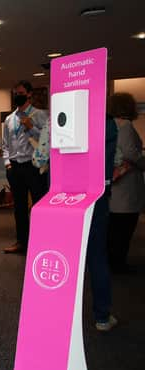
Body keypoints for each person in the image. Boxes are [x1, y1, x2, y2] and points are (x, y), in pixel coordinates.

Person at [1, 80, 49, 254]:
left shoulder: (40, 115)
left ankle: (41, 242)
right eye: (15, 93)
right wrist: (7, 165)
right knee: (19, 208)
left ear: (29, 94)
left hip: (34, 166)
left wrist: (32, 128)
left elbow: (46, 141)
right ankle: (22, 242)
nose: (17, 96)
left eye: (21, 93)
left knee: (38, 205)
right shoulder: (9, 119)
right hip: (15, 168)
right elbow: (5, 144)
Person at [86, 115, 118, 331]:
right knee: (97, 255)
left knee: (67, 257)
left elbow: (40, 159)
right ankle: (102, 317)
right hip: (96, 193)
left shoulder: (57, 118)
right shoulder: (105, 121)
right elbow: (115, 160)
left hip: (65, 195)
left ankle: (61, 313)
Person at [107, 92, 145, 274]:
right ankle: (118, 263)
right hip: (127, 185)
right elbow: (131, 154)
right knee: (124, 227)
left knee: (115, 228)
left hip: (115, 184)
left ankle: (113, 261)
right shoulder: (126, 126)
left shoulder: (112, 125)